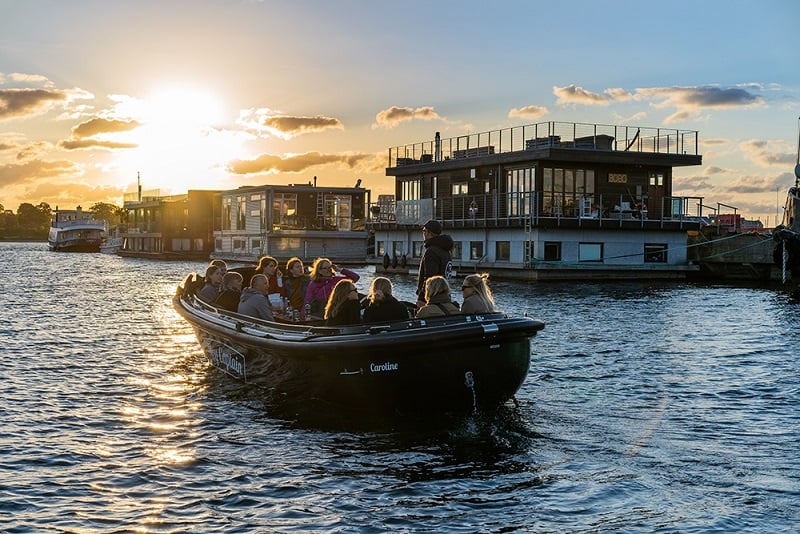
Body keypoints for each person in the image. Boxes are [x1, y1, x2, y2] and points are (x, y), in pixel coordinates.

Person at [416, 219, 453, 309]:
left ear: (428, 233)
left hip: (432, 298)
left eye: (424, 231)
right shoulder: (446, 251)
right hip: (445, 297)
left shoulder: (431, 252)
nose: (423, 233)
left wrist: (422, 298)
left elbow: (430, 278)